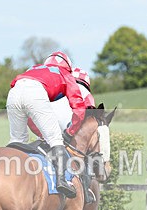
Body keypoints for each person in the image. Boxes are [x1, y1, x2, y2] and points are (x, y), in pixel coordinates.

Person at [7, 51, 87, 198]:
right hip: (35, 93)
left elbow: (32, 117)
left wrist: (42, 133)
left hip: (14, 92)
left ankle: (8, 174)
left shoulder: (34, 68)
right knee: (56, 140)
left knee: (17, 140)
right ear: (67, 67)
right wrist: (70, 132)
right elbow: (79, 109)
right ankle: (62, 182)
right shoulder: (66, 74)